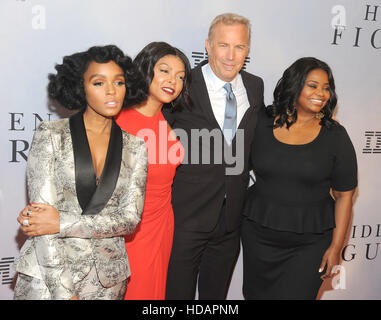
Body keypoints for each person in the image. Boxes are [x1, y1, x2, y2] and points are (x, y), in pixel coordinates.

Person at [14, 45, 148, 300]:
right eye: (99, 83)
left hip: (108, 282)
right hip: (47, 279)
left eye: (119, 82)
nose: (111, 91)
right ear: (80, 87)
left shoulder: (136, 146)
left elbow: (130, 219)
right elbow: (41, 224)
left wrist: (61, 222)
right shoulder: (50, 135)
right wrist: (65, 294)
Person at [162, 13, 265, 300]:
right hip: (184, 218)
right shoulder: (183, 82)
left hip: (230, 221)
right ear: (208, 45)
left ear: (247, 50)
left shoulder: (255, 87)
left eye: (240, 47)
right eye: (223, 45)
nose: (231, 56)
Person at [241, 57, 358, 300]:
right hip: (258, 238)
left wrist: (336, 248)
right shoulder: (262, 122)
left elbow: (344, 196)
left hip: (310, 245)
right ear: (294, 86)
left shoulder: (335, 136)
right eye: (313, 85)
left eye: (326, 88)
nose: (322, 93)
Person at [115, 42, 192, 300]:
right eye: (165, 71)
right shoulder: (118, 120)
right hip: (128, 233)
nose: (174, 81)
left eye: (180, 77)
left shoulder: (164, 120)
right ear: (145, 70)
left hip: (162, 226)